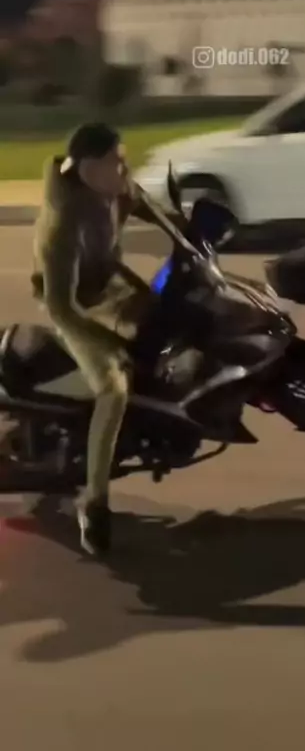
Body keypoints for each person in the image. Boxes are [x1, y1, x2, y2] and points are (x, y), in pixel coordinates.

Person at [32, 123, 173, 556]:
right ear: (91, 168)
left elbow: (145, 203)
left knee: (171, 316)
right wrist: (107, 343)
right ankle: (94, 503)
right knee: (113, 388)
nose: (125, 169)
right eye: (117, 162)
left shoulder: (113, 187)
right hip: (76, 304)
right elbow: (61, 306)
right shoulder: (63, 224)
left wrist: (191, 235)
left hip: (110, 286)